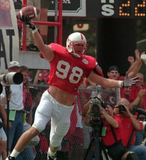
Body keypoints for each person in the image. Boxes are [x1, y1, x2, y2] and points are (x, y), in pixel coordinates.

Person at [6, 15, 139, 160]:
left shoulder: (87, 62)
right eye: (78, 45)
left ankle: (51, 156)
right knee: (37, 127)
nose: (81, 48)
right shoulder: (57, 53)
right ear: (70, 44)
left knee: (56, 140)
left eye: (83, 46)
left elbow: (102, 81)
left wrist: (121, 83)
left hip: (66, 108)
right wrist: (33, 28)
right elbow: (42, 46)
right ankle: (11, 157)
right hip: (50, 99)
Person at [2, 61, 24, 160]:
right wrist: (6, 118)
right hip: (10, 112)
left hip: (19, 113)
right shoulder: (5, 81)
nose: (16, 70)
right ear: (9, 70)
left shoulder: (20, 81)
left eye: (17, 68)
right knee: (9, 143)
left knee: (19, 144)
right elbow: (2, 102)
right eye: (13, 68)